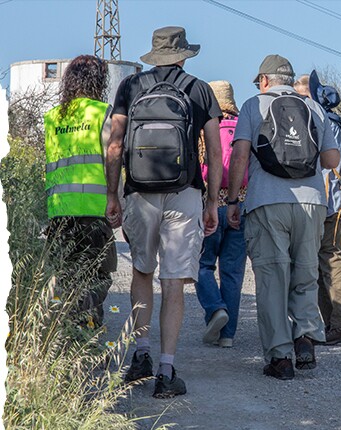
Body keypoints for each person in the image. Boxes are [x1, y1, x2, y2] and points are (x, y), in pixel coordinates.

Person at [105, 26, 222, 398]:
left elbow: (115, 144)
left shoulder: (130, 87)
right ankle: (166, 371)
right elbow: (216, 153)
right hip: (184, 193)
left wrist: (113, 195)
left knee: (142, 270)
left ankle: (140, 357)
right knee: (174, 282)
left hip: (139, 192)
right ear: (184, 55)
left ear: (153, 55)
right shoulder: (199, 89)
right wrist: (214, 201)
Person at [226, 55, 339, 380]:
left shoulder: (253, 106)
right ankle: (304, 338)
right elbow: (331, 159)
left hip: (267, 201)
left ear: (264, 80)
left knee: (272, 278)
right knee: (305, 272)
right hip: (312, 202)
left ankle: (280, 358)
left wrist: (233, 200)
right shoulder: (313, 107)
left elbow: (241, 155)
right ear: (289, 80)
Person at [43, 54, 117, 329]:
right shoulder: (101, 112)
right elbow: (112, 157)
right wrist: (115, 198)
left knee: (66, 276)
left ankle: (67, 334)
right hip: (94, 210)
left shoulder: (52, 118)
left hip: (59, 212)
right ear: (99, 81)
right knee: (97, 277)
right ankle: (87, 333)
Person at [295, 72, 341, 345]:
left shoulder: (320, 120)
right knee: (325, 260)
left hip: (327, 201)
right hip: (333, 199)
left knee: (330, 259)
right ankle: (332, 323)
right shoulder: (331, 118)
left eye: (302, 96)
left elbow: (325, 164)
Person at [195, 80, 247, 349]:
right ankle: (227, 335)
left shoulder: (205, 130)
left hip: (209, 206)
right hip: (240, 206)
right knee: (233, 273)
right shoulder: (244, 128)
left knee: (201, 265)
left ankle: (215, 308)